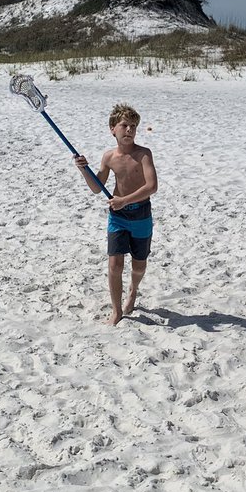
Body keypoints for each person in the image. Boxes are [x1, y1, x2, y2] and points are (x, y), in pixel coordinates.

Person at [73, 102, 158, 325]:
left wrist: (124, 200)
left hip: (141, 215)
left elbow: (152, 187)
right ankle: (116, 310)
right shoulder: (109, 157)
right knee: (115, 265)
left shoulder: (144, 154)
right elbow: (96, 187)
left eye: (133, 126)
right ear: (113, 129)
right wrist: (83, 169)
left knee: (139, 266)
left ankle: (133, 290)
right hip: (118, 217)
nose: (129, 130)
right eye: (124, 125)